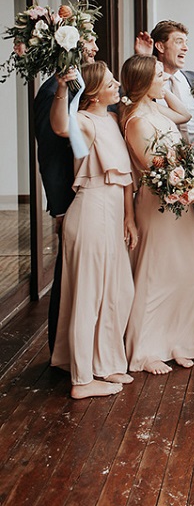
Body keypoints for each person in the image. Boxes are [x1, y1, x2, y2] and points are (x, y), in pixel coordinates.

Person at [49, 61, 136, 399]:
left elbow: (126, 177)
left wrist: (129, 218)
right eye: (112, 83)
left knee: (117, 292)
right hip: (91, 211)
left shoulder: (111, 119)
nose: (118, 86)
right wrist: (61, 88)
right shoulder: (83, 121)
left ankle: (107, 362)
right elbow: (59, 126)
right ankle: (82, 380)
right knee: (88, 297)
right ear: (95, 93)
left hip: (113, 214)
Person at [121, 55, 194, 375]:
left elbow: (184, 114)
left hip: (179, 203)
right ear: (144, 83)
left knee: (193, 273)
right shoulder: (138, 121)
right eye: (160, 76)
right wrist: (188, 178)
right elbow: (153, 169)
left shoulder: (155, 109)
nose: (165, 80)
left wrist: (165, 86)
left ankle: (178, 342)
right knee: (156, 276)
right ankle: (145, 351)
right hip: (157, 204)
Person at [34, 35, 99, 355]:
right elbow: (50, 156)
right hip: (74, 199)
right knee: (68, 279)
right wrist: (60, 209)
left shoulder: (83, 87)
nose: (96, 48)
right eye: (89, 42)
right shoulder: (52, 92)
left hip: (97, 195)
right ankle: (61, 350)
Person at [135, 20, 194, 143]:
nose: (185, 48)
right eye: (179, 42)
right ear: (160, 47)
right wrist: (145, 62)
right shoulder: (148, 86)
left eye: (186, 43)